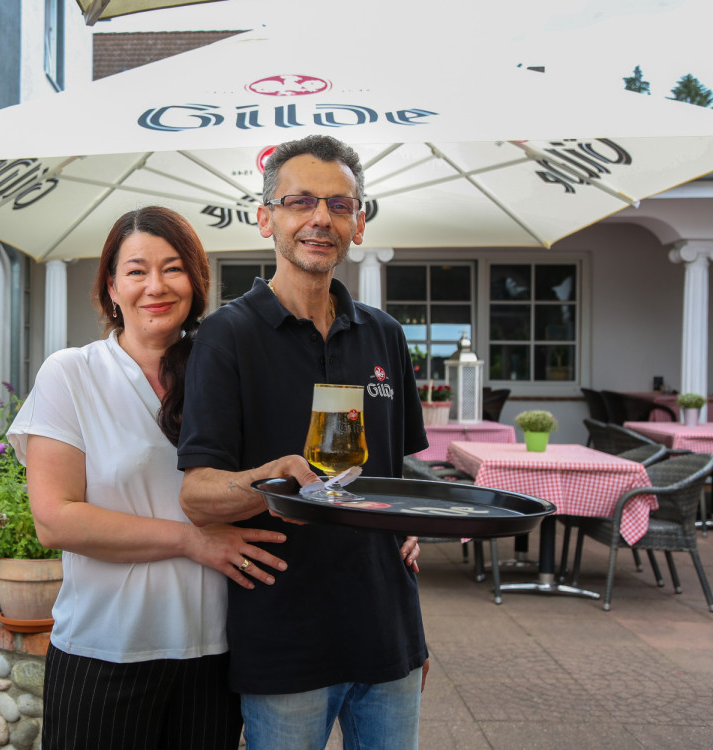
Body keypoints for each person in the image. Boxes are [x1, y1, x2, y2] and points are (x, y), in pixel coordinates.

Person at [177, 134, 430, 750]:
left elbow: (393, 478)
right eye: (301, 201)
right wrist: (277, 482)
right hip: (286, 641)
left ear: (359, 224)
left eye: (340, 204)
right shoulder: (226, 338)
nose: (321, 217)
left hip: (387, 635)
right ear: (267, 218)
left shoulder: (385, 336)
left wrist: (408, 527)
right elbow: (198, 495)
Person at [6, 206, 288, 750]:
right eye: (136, 270)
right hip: (105, 650)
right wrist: (192, 541)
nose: (154, 286)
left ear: (196, 282)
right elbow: (56, 521)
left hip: (213, 655)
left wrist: (389, 531)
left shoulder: (227, 372)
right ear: (111, 286)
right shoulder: (73, 373)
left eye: (174, 268)